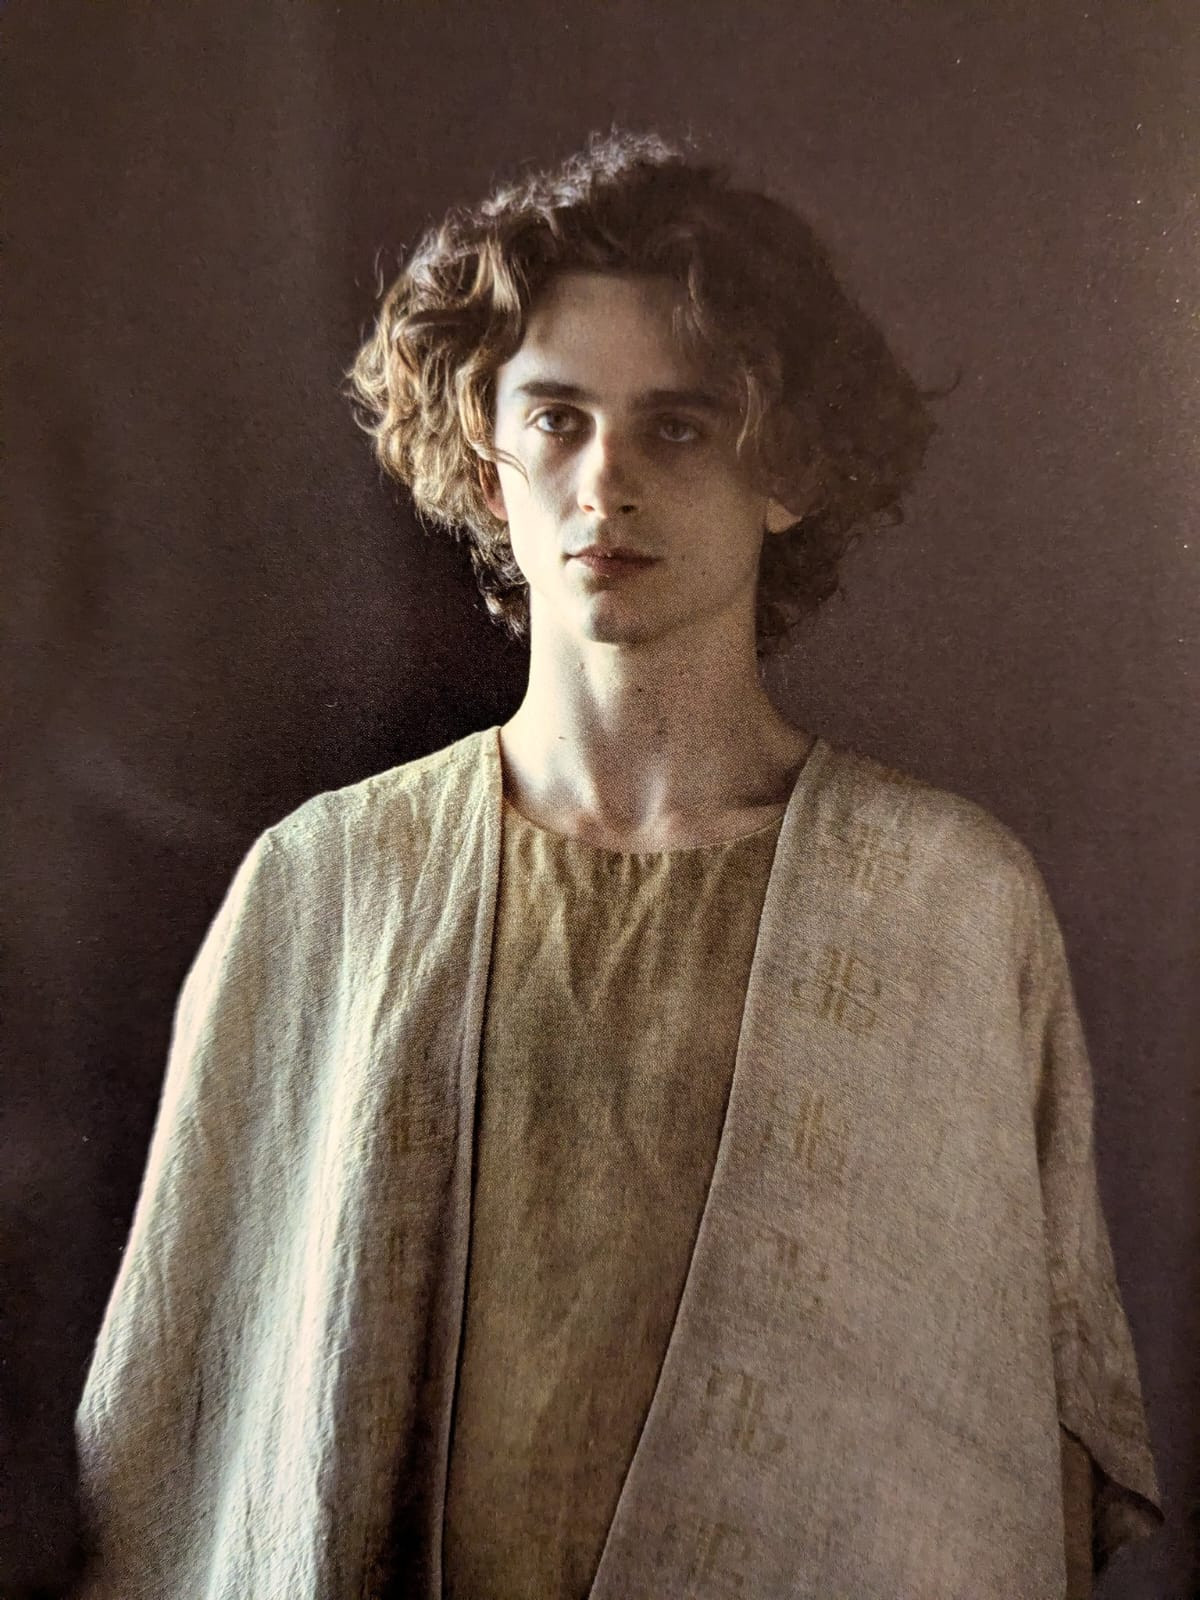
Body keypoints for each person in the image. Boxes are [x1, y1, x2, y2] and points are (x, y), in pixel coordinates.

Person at [72, 128, 1163, 1599]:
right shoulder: (324, 883)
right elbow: (184, 1427)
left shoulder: (948, 902)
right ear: (485, 460)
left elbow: (1004, 1442)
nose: (606, 482)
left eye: (681, 427)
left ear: (789, 467)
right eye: (557, 419)